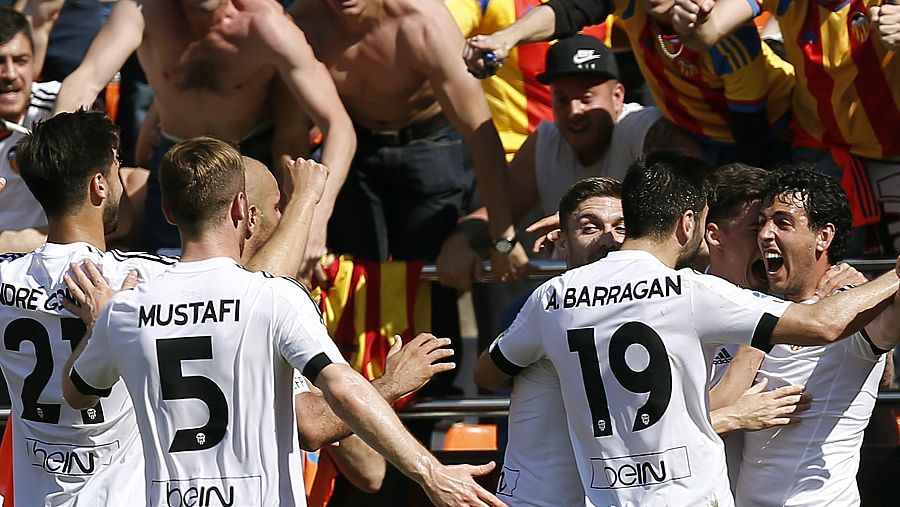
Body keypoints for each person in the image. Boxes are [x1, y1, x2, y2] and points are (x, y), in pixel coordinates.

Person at [60, 137, 505, 507]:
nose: (280, 217)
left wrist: (101, 327)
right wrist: (430, 470)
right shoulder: (273, 298)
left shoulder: (126, 310)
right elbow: (342, 392)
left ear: (169, 213)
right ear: (243, 210)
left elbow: (77, 393)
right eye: (277, 206)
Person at [474, 151, 900, 506]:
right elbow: (822, 324)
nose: (764, 237)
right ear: (690, 225)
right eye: (758, 225)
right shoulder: (693, 293)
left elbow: (486, 375)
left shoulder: (551, 298)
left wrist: (580, 234)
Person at [52, 0, 356, 269]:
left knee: (252, 284)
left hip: (246, 166)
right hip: (175, 161)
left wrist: (316, 217)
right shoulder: (145, 11)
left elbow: (339, 127)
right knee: (162, 273)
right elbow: (85, 81)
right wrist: (63, 171)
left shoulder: (265, 24)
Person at [0, 111, 176, 507]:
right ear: (98, 185)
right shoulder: (143, 278)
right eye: (116, 168)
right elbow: (241, 286)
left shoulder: (5, 277)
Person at [288, 0, 528, 281]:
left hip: (431, 142)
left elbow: (480, 132)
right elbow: (290, 136)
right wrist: (299, 223)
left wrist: (502, 236)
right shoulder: (303, 26)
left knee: (432, 276)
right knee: (345, 276)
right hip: (354, 145)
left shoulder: (423, 21)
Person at [437, 34, 694, 291]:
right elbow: (498, 213)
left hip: (648, 291)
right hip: (572, 297)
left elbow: (690, 191)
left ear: (617, 96)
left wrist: (584, 218)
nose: (574, 111)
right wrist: (463, 240)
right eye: (562, 99)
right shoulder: (546, 141)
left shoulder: (639, 127)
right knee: (512, 315)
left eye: (586, 98)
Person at [731, 165, 900, 506]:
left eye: (782, 223)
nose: (765, 234)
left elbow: (884, 334)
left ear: (823, 237)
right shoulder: (751, 305)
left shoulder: (854, 309)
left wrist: (887, 280)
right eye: (762, 222)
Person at [459, 0, 794, 169]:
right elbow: (569, 9)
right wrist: (505, 39)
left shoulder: (730, 37)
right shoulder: (630, 3)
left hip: (773, 130)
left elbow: (751, 139)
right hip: (692, 130)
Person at [671, 0, 899, 243]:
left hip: (892, 145)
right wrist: (692, 22)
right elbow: (709, 30)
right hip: (821, 145)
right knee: (817, 252)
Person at [0, 6, 59, 253]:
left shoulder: (59, 108)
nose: (10, 74)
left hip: (47, 253)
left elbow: (116, 218)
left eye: (20, 60)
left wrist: (18, 243)